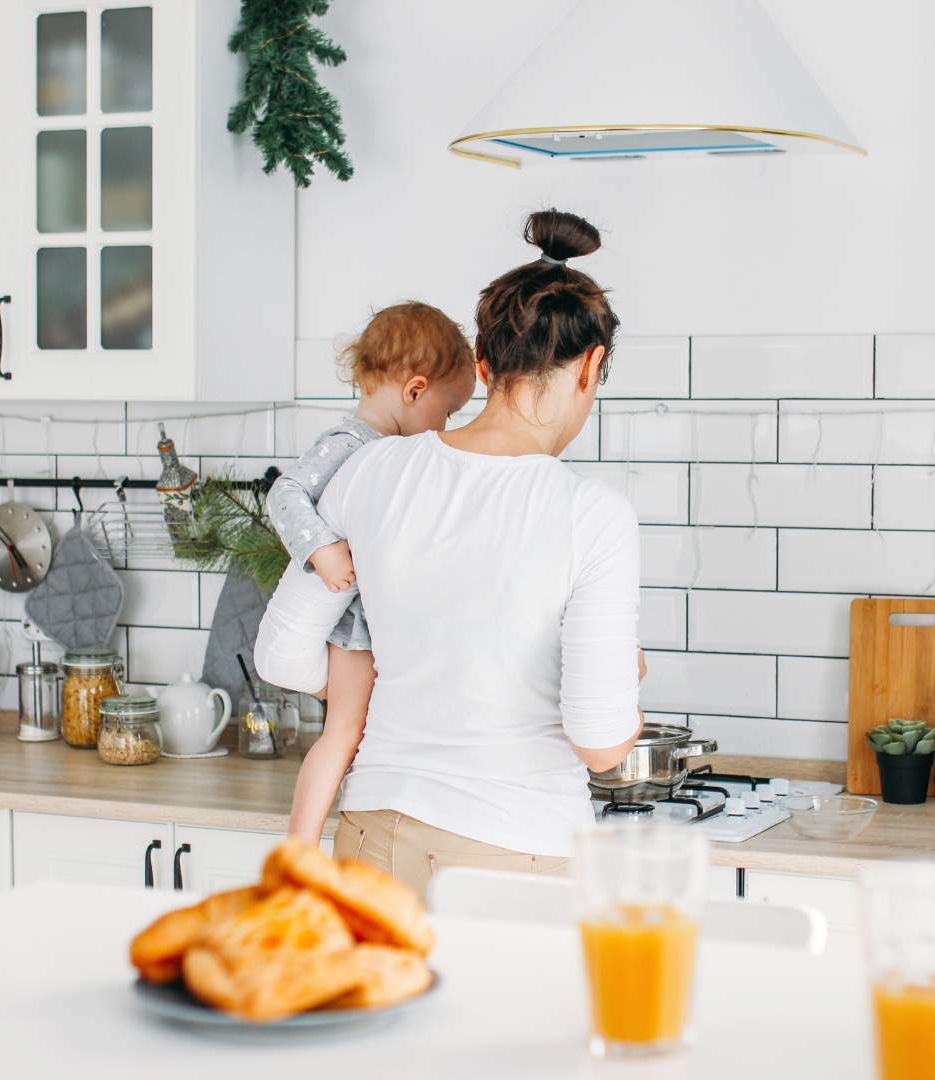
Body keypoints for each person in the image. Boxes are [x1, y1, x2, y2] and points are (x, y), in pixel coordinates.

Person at [256, 210, 644, 898]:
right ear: (590, 367)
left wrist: (416, 673)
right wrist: (628, 684)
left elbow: (282, 654)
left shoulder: (373, 471)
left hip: (374, 836)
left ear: (485, 364)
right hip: (518, 854)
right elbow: (600, 744)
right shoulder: (593, 514)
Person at [265, 302, 477, 841]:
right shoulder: (350, 444)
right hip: (356, 627)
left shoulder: (392, 454)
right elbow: (284, 494)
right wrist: (321, 550)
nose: (445, 428)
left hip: (382, 625)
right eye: (447, 412)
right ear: (414, 391)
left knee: (363, 730)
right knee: (343, 732)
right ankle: (302, 843)